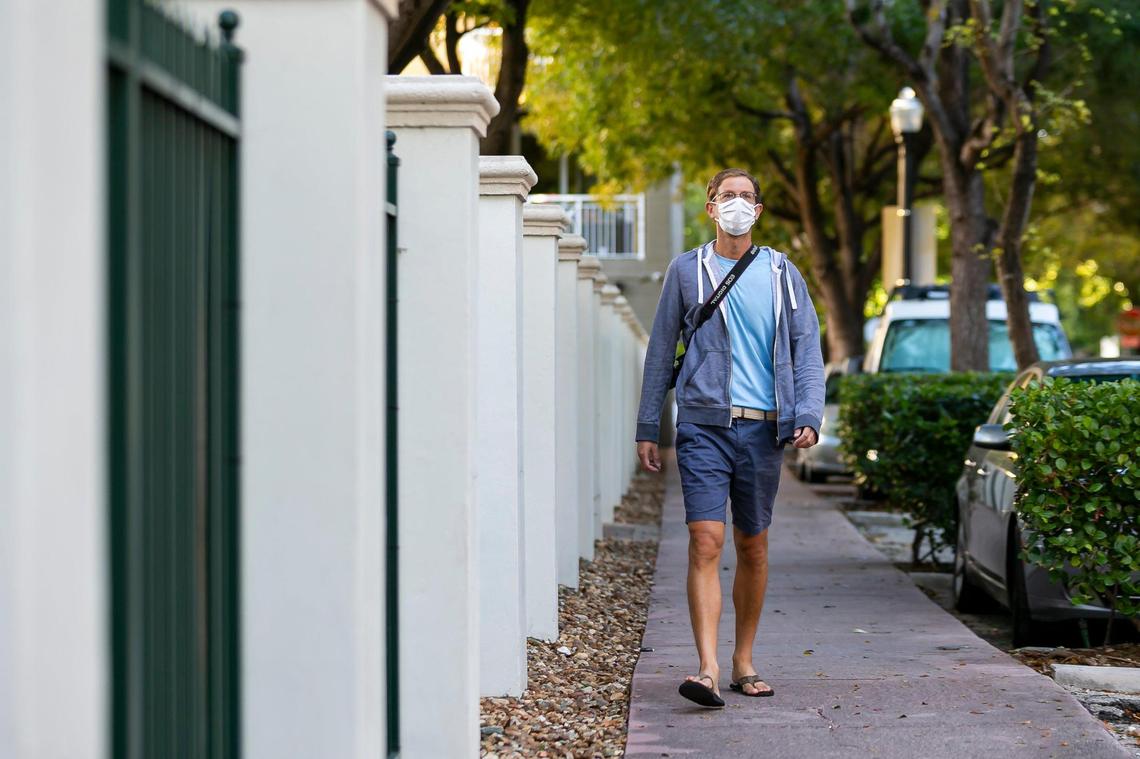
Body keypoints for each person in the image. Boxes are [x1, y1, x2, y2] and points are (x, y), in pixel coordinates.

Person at [635, 168, 824, 707]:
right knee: (705, 540)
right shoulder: (686, 271)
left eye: (746, 197)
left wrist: (807, 412)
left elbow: (806, 348)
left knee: (753, 545)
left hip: (765, 428)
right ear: (711, 209)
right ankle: (707, 669)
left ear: (758, 211)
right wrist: (650, 425)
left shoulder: (783, 273)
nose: (737, 204)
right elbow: (660, 350)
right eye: (727, 196)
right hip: (703, 424)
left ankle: (743, 659)